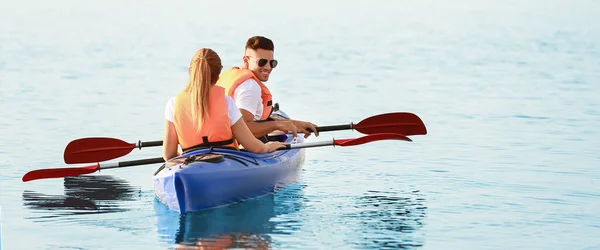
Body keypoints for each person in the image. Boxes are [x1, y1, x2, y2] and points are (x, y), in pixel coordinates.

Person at [162, 48, 285, 161]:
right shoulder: (226, 103)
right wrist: (268, 147)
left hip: (192, 163)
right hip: (228, 161)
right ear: (217, 76)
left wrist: (188, 161)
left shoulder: (173, 104)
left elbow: (169, 155)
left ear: (190, 72)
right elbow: (254, 147)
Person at [216, 36, 319, 141]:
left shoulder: (233, 76)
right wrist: (276, 125)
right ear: (246, 60)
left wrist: (296, 124)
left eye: (272, 63)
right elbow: (243, 128)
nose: (268, 67)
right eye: (262, 62)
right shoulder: (250, 87)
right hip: (237, 147)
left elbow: (254, 121)